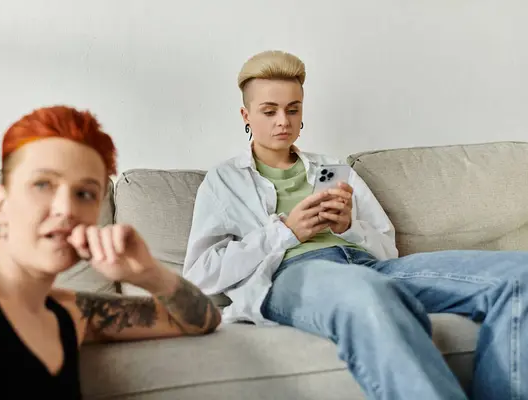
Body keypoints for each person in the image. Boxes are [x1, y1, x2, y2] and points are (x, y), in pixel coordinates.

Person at [182, 50, 528, 400]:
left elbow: (387, 249)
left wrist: (348, 226)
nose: (283, 121)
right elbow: (198, 275)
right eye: (269, 111)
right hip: (293, 275)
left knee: (520, 274)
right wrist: (286, 233)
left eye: (293, 109)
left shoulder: (331, 168)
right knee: (366, 293)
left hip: (369, 266)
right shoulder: (224, 181)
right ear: (246, 115)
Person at [0, 105, 221, 400]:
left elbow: (202, 319)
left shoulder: (73, 312)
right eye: (43, 185)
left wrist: (148, 272)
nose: (67, 209)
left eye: (85, 194)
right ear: (2, 203)